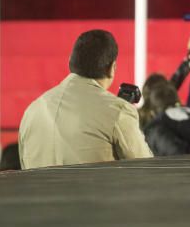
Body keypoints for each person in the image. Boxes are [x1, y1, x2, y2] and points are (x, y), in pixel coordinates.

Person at [18, 29, 153, 169]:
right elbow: (146, 170)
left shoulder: (32, 111)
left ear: (70, 61)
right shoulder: (118, 111)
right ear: (112, 68)